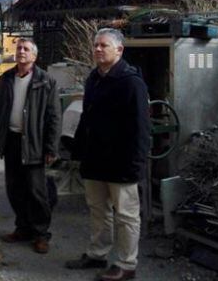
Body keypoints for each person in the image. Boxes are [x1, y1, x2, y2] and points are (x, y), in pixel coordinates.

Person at [65, 28, 151, 281]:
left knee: (126, 215)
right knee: (98, 210)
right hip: (94, 159)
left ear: (119, 50)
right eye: (96, 45)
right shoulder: (94, 78)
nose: (98, 49)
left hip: (121, 162)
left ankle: (126, 264)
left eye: (104, 45)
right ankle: (97, 253)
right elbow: (87, 117)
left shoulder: (131, 83)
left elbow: (141, 128)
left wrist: (136, 163)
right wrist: (78, 150)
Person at [0, 38, 61, 254]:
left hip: (34, 144)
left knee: (37, 192)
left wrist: (51, 148)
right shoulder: (6, 79)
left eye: (26, 49)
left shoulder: (46, 81)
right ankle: (23, 228)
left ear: (34, 56)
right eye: (19, 48)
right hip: (11, 141)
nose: (21, 52)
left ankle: (41, 234)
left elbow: (54, 117)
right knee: (15, 189)